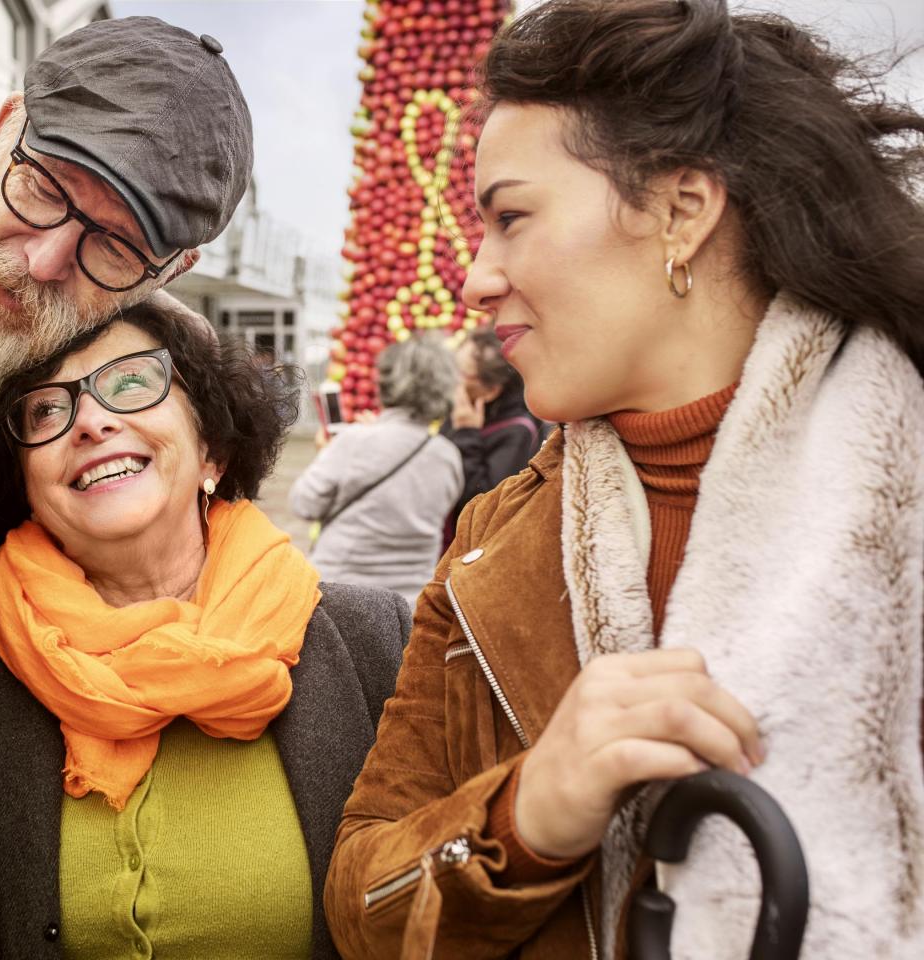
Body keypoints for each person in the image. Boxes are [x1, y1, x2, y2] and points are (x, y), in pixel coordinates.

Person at [324, 2, 924, 959]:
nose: (475, 279)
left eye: (512, 217)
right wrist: (523, 815)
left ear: (681, 210)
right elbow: (361, 909)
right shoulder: (490, 551)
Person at [0, 300, 412, 958]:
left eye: (132, 383)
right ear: (27, 483)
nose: (91, 421)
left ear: (212, 451)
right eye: (47, 410)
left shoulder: (374, 642)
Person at [0, 15, 255, 759]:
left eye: (116, 247)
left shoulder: (155, 408)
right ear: (5, 125)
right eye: (39, 187)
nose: (43, 260)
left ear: (168, 273)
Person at [289, 334, 464, 607]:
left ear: (386, 383)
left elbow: (304, 504)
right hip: (410, 604)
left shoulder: (355, 441)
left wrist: (328, 452)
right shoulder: (448, 456)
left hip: (340, 595)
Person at [446, 328, 544, 515]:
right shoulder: (468, 403)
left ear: (491, 391)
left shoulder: (517, 431)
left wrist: (466, 434)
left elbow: (483, 505)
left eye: (462, 373)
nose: (451, 378)